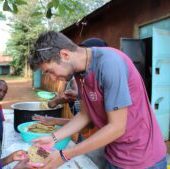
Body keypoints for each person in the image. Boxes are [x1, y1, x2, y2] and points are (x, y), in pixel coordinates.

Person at [29, 31, 166, 169]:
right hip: (114, 154)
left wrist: (66, 154)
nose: (52, 78)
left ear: (65, 55)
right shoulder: (78, 71)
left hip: (143, 158)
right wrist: (53, 138)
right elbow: (84, 114)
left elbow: (117, 127)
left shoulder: (110, 63)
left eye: (50, 71)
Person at [33, 38, 109, 143]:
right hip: (87, 135)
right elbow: (85, 117)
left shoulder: (107, 75)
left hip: (102, 140)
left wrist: (67, 153)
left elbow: (93, 123)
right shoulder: (81, 76)